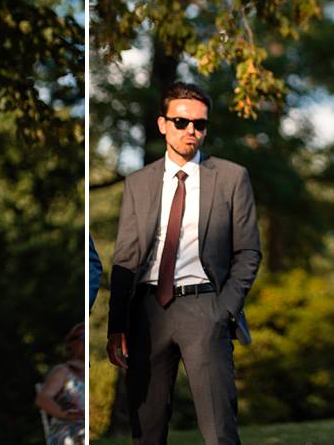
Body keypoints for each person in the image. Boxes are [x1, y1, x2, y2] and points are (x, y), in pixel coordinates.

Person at [106, 81, 260, 445]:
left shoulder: (231, 178)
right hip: (146, 314)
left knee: (220, 431)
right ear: (163, 124)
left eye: (200, 124)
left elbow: (249, 251)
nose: (191, 130)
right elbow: (124, 258)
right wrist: (117, 326)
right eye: (181, 121)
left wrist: (224, 310)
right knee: (146, 432)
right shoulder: (137, 183)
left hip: (205, 307)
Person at [35, 322, 86, 444]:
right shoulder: (64, 371)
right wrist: (65, 415)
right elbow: (43, 399)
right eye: (83, 337)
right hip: (71, 429)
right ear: (73, 344)